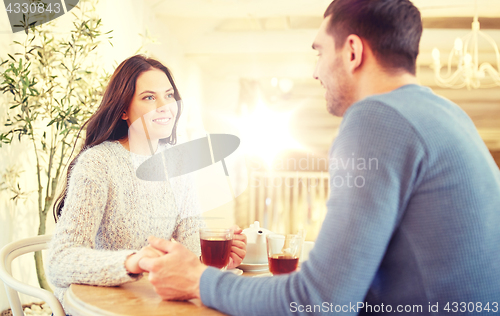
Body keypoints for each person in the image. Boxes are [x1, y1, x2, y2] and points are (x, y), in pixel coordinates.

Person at [137, 0, 500, 315]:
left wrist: (199, 279)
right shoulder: (449, 115)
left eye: (319, 52)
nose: (315, 71)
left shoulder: (376, 117)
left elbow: (319, 303)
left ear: (353, 51)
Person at [46, 55, 247, 311]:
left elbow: (189, 252)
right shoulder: (97, 164)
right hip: (99, 306)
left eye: (169, 95)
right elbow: (59, 261)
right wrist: (131, 262)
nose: (165, 106)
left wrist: (216, 263)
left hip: (150, 303)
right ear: (122, 110)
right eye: (149, 97)